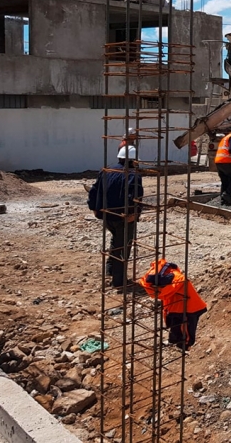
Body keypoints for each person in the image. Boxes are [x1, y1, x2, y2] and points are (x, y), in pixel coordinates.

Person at [87, 145, 144, 290]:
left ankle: (110, 269)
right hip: (124, 217)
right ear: (133, 160)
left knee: (116, 240)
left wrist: (94, 208)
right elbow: (136, 197)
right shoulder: (133, 175)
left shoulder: (105, 171)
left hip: (106, 216)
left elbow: (94, 190)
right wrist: (134, 214)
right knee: (123, 247)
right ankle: (119, 281)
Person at [139, 259, 207, 350]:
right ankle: (179, 342)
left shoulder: (154, 280)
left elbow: (155, 290)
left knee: (182, 327)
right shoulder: (177, 279)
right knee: (181, 326)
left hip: (183, 308)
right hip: (184, 307)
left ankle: (182, 344)